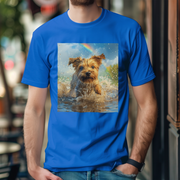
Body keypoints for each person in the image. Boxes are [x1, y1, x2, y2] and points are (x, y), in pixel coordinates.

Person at [21, 0, 158, 180]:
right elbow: (34, 108)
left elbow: (148, 103)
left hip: (115, 170)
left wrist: (135, 161)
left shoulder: (129, 30)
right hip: (61, 171)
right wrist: (32, 166)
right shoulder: (43, 36)